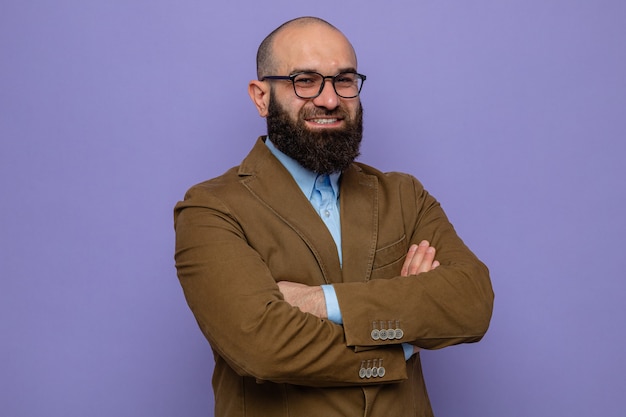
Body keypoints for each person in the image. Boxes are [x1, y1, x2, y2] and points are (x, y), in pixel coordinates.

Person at [174, 16, 494, 417]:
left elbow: (472, 303)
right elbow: (262, 346)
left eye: (344, 80)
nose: (329, 99)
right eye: (305, 81)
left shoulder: (404, 196)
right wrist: (402, 344)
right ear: (260, 97)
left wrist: (321, 301)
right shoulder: (211, 208)